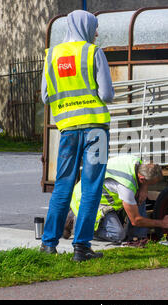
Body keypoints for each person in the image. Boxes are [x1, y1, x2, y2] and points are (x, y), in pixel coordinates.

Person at [40, 10, 114, 262]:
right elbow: (107, 95)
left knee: (63, 185)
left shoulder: (52, 55)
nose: (96, 33)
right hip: (97, 130)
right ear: (86, 27)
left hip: (67, 130)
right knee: (92, 188)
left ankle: (48, 243)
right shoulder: (94, 52)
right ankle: (81, 248)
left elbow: (45, 96)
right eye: (95, 27)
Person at [63, 155, 168, 243]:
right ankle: (76, 223)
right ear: (142, 178)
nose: (150, 186)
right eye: (150, 184)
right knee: (117, 235)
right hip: (88, 199)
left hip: (99, 192)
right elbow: (135, 220)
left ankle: (137, 238)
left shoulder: (137, 163)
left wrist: (144, 188)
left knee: (140, 197)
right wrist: (162, 223)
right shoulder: (126, 186)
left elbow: (143, 179)